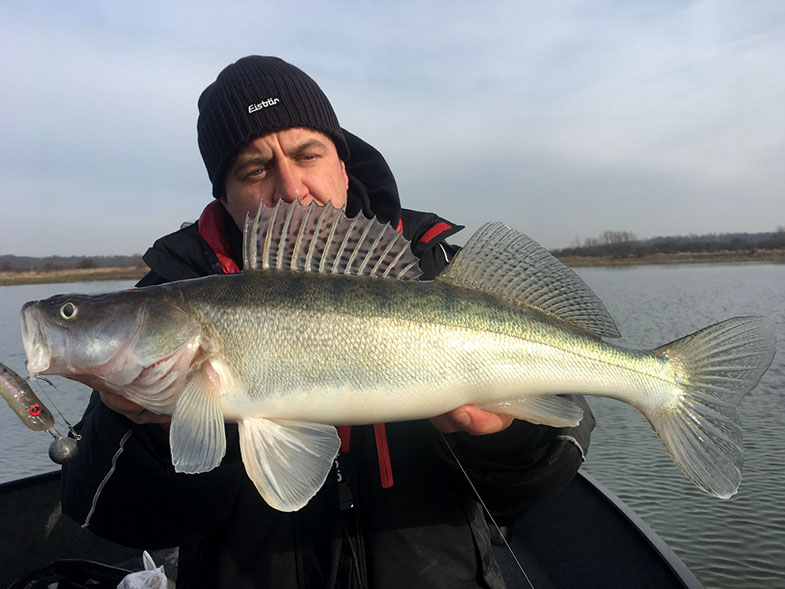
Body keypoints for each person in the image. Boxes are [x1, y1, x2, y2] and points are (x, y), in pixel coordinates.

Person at [60, 56, 594, 589]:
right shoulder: (168, 297)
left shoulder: (438, 272)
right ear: (224, 196)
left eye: (307, 155)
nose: (291, 189)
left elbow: (545, 470)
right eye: (254, 170)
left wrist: (505, 439)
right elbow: (107, 514)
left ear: (342, 162)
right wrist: (149, 430)